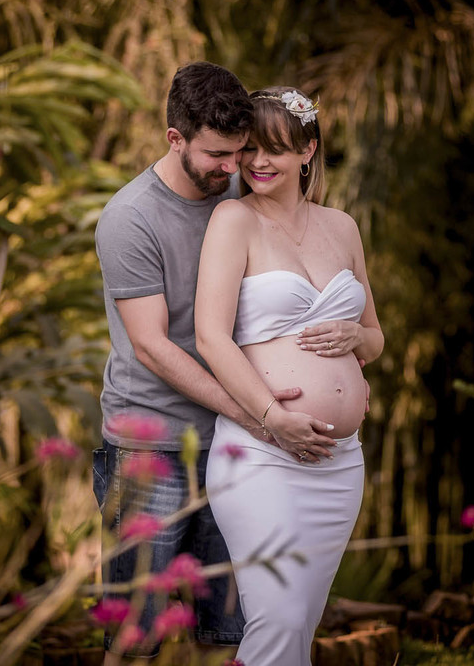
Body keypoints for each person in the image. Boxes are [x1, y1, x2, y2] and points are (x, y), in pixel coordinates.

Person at [93, 64, 341, 662]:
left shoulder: (238, 192)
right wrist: (259, 413)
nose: (232, 168)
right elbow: (153, 346)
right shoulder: (130, 219)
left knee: (226, 633)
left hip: (240, 449)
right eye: (216, 155)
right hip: (152, 446)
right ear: (175, 138)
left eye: (240, 152)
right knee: (138, 636)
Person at [196, 86, 384, 665]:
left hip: (339, 462)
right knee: (277, 618)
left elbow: (375, 339)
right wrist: (275, 418)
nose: (256, 162)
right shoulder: (234, 220)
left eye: (274, 149)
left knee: (296, 624)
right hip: (262, 454)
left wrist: (357, 338)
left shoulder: (342, 227)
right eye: (248, 148)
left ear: (307, 151)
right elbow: (210, 337)